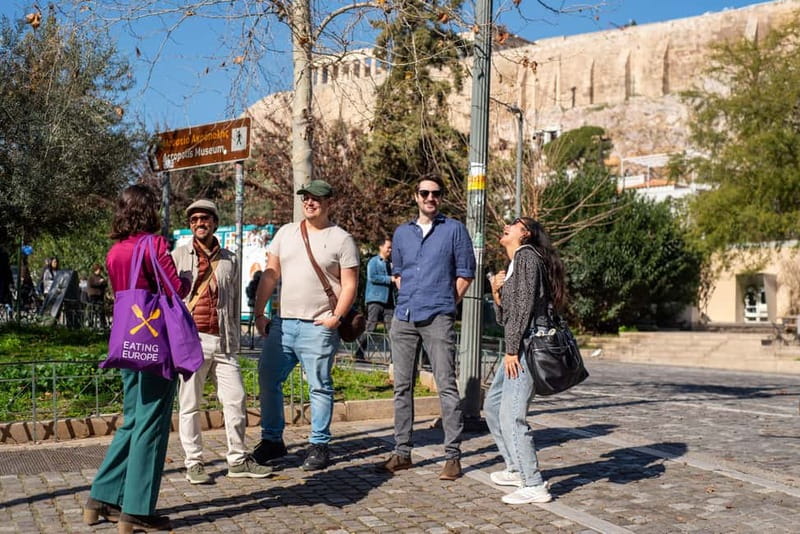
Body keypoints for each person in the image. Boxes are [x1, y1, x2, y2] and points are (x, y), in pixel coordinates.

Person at [84, 184, 191, 532]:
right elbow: (175, 288)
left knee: (132, 419)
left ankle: (101, 497)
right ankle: (137, 512)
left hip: (126, 343)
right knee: (151, 423)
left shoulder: (115, 251)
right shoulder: (154, 244)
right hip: (155, 344)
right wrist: (189, 278)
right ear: (148, 210)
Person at [253, 180, 359, 471]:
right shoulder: (286, 233)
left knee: (319, 386)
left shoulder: (341, 239)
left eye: (317, 199)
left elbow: (350, 284)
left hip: (319, 325)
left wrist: (335, 317)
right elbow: (270, 276)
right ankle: (272, 440)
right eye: (306, 198)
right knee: (268, 380)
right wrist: (259, 313)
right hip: (283, 325)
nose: (310, 203)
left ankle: (319, 444)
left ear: (328, 203)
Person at [378, 175, 476, 480]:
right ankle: (402, 452)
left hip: (438, 316)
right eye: (424, 192)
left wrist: (447, 300)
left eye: (435, 193)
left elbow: (466, 271)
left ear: (440, 198)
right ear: (415, 196)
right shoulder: (402, 233)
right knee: (402, 387)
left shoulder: (454, 230)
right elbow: (397, 271)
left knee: (446, 385)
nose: (430, 198)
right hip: (404, 316)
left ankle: (452, 456)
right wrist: (406, 293)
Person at [172, 199, 272, 483]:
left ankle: (238, 460)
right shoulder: (179, 256)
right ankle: (194, 462)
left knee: (236, 399)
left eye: (204, 218)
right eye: (194, 220)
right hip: (192, 340)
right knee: (190, 404)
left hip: (224, 340)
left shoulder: (231, 259)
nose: (199, 223)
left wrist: (237, 337)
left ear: (214, 222)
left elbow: (234, 299)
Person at [484, 216, 565, 505]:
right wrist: (497, 290)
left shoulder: (527, 257)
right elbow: (507, 314)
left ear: (525, 233)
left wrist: (511, 350)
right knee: (493, 406)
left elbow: (524, 309)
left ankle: (533, 484)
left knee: (512, 416)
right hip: (519, 344)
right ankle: (516, 468)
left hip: (525, 347)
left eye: (514, 223)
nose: (506, 224)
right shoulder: (517, 262)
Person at [355, 237, 394, 360]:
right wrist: (389, 279)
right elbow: (372, 277)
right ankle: (359, 352)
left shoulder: (391, 264)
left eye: (391, 247)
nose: (390, 250)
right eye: (388, 247)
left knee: (392, 329)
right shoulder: (374, 261)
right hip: (376, 299)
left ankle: (394, 357)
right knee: (371, 326)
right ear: (381, 247)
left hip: (389, 301)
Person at [87, 263, 108, 328]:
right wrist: (99, 282)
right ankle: (90, 323)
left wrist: (104, 282)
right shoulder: (91, 277)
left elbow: (104, 285)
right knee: (92, 310)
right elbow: (92, 284)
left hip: (100, 296)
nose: (100, 271)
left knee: (101, 310)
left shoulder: (101, 277)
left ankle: (103, 324)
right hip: (93, 295)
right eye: (99, 270)